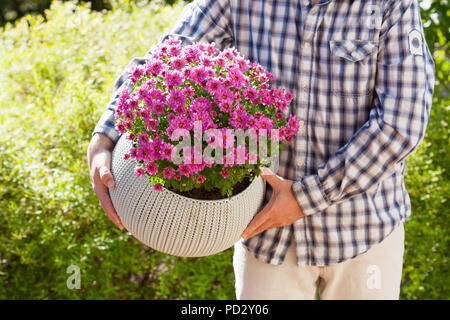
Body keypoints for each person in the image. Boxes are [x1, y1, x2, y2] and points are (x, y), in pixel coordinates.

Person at [87, 0, 434, 299]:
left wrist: (304, 198)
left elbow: (401, 123)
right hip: (266, 232)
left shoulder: (391, 4)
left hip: (364, 230)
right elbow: (172, 52)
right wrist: (106, 133)